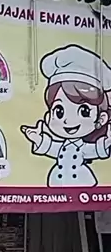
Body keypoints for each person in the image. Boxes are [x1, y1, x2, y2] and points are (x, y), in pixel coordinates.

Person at [21, 44, 111, 187]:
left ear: (101, 119)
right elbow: (51, 148)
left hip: (82, 182)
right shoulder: (62, 146)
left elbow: (95, 150)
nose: (68, 120)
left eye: (84, 111)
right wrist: (39, 139)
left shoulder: (83, 148)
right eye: (59, 111)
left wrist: (107, 142)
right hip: (57, 181)